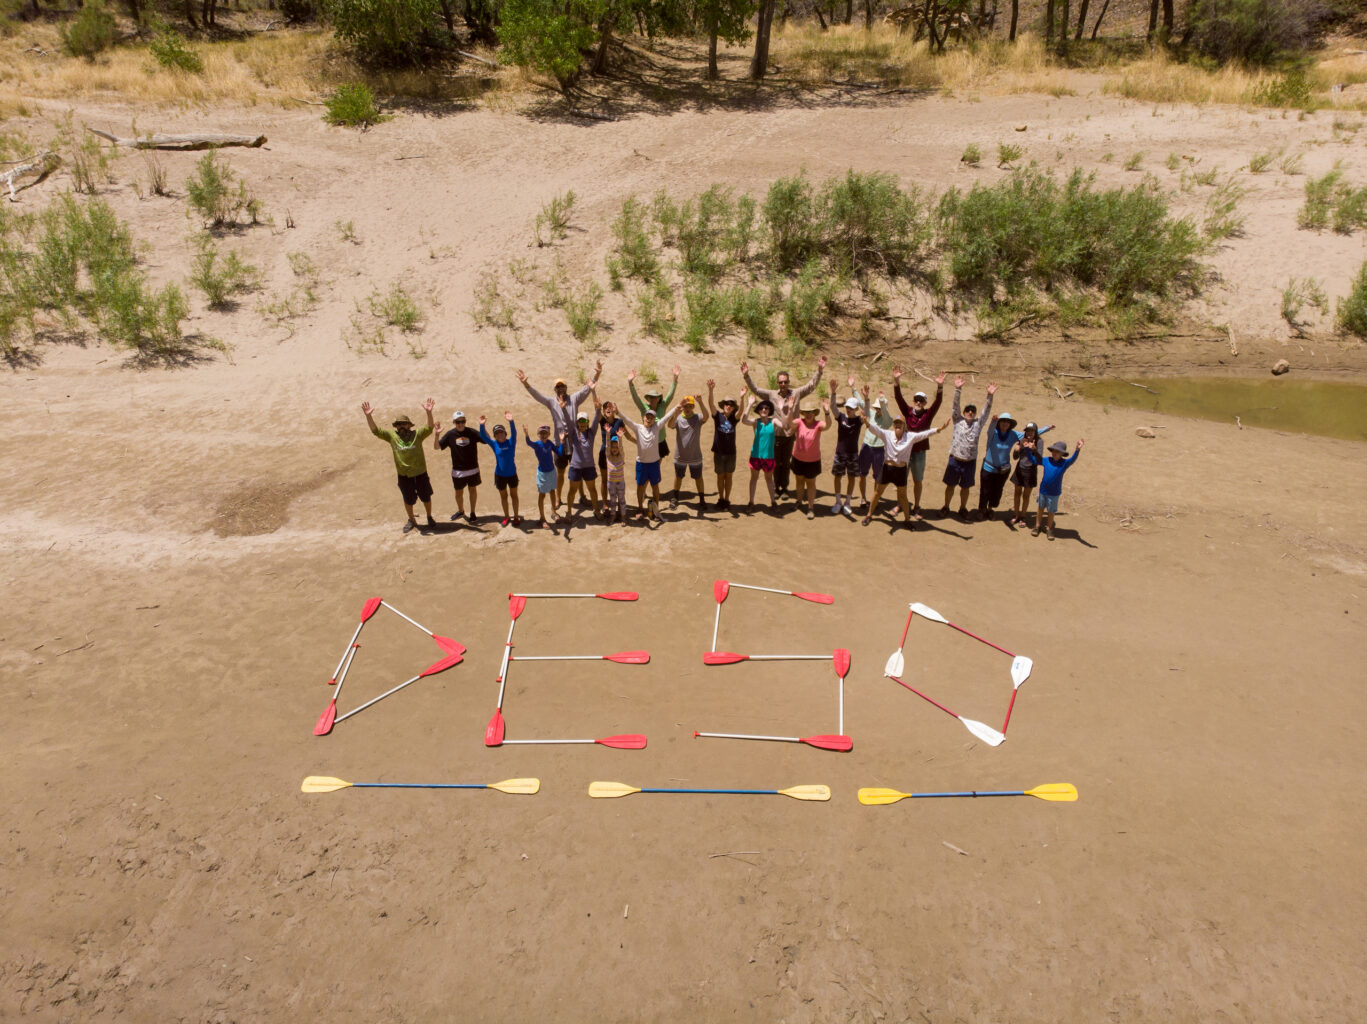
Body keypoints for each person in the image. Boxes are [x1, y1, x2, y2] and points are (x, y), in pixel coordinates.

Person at [516, 360, 602, 509]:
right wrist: (526, 384)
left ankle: (582, 496)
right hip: (560, 442)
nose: (560, 388)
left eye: (562, 386)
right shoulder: (551, 402)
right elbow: (538, 396)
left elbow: (587, 388)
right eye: (558, 387)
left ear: (566, 388)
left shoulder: (574, 398)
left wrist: (597, 373)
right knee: (560, 472)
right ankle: (558, 498)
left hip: (575, 442)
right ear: (555, 389)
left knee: (579, 469)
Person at [741, 356, 826, 499]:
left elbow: (811, 386)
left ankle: (784, 487)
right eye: (781, 382)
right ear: (777, 383)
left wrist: (819, 370)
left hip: (790, 434)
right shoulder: (771, 394)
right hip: (774, 434)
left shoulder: (796, 393)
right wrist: (746, 376)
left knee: (786, 462)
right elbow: (755, 390)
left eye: (785, 382)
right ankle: (775, 487)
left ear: (789, 382)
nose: (783, 384)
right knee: (774, 462)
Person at [862, 413, 951, 528]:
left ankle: (907, 520)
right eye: (896, 423)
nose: (898, 425)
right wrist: (866, 422)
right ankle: (868, 515)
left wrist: (940, 429)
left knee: (903, 496)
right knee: (877, 492)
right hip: (887, 469)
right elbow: (875, 429)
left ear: (904, 426)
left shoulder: (910, 436)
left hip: (900, 470)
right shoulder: (887, 434)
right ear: (893, 425)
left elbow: (924, 434)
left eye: (900, 423)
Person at [363, 399, 436, 533]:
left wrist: (429, 413)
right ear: (396, 427)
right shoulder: (392, 436)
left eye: (404, 424)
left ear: (409, 425)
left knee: (426, 497)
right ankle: (412, 520)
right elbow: (376, 431)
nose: (401, 426)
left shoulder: (417, 434)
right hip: (404, 475)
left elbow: (430, 427)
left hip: (420, 473)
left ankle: (429, 517)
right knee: (408, 499)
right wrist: (368, 416)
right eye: (398, 425)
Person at [978, 411, 1053, 522]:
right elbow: (990, 428)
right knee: (985, 490)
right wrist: (993, 421)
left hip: (1003, 470)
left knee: (997, 491)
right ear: (999, 423)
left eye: (1007, 422)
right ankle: (982, 510)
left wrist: (1047, 428)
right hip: (988, 468)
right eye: (1002, 421)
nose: (1005, 424)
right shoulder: (993, 433)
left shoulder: (1013, 435)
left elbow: (1030, 434)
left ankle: (990, 509)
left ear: (1010, 424)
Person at [940, 377, 997, 518]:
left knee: (965, 487)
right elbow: (955, 406)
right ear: (964, 412)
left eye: (973, 411)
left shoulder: (978, 423)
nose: (970, 412)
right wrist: (958, 389)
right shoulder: (958, 420)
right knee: (950, 486)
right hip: (955, 459)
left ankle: (963, 508)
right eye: (968, 410)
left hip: (969, 462)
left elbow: (986, 411)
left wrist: (990, 395)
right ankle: (946, 507)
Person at [893, 367, 946, 517]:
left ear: (924, 403)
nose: (918, 402)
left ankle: (916, 506)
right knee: (901, 480)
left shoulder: (928, 415)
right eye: (916, 399)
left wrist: (940, 386)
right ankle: (899, 504)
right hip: (905, 451)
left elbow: (938, 402)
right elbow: (898, 398)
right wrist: (896, 380)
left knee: (918, 481)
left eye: (921, 400)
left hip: (920, 453)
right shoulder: (908, 411)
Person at [617, 402, 664, 519]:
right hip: (641, 464)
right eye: (647, 416)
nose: (649, 419)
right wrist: (618, 412)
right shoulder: (638, 427)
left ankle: (656, 509)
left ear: (654, 420)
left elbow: (667, 418)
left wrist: (677, 407)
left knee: (655, 487)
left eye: (652, 417)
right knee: (640, 487)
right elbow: (627, 421)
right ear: (644, 417)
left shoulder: (656, 427)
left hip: (654, 463)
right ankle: (639, 507)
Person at [435, 409, 483, 521]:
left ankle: (472, 513)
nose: (460, 424)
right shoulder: (450, 434)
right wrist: (437, 435)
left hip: (473, 469)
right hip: (458, 471)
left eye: (462, 421)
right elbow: (437, 447)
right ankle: (461, 511)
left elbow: (487, 440)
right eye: (458, 422)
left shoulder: (472, 432)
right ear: (454, 422)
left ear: (465, 421)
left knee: (472, 490)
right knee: (458, 493)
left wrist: (482, 426)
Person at [663, 393, 707, 513]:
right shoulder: (678, 419)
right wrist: (676, 412)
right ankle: (675, 498)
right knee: (678, 477)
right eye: (685, 406)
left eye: (690, 406)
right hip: (680, 456)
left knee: (698, 478)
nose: (687, 409)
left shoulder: (697, 418)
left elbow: (706, 417)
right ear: (682, 407)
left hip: (695, 456)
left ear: (693, 407)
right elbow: (670, 425)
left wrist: (700, 402)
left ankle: (702, 499)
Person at [704, 379, 744, 511]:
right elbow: (710, 405)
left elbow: (741, 412)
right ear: (723, 405)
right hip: (719, 453)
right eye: (727, 404)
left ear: (733, 408)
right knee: (720, 476)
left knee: (729, 476)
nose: (728, 406)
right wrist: (710, 390)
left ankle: (727, 499)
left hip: (731, 453)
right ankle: (720, 498)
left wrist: (742, 398)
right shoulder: (718, 417)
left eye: (731, 405)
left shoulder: (734, 419)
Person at [1033, 439, 1083, 540]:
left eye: (1058, 452)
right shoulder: (1046, 460)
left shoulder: (1064, 463)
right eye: (1054, 451)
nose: (1055, 453)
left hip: (1054, 493)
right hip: (1043, 491)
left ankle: (1049, 528)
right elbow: (1034, 460)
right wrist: (1030, 450)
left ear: (1062, 454)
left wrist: (1077, 450)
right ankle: (1037, 526)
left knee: (1051, 511)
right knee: (1040, 508)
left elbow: (1072, 459)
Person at [828, 376, 864, 516]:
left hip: (853, 454)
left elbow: (866, 411)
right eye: (848, 407)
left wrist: (865, 398)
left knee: (851, 478)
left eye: (852, 408)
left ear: (856, 409)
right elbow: (832, 407)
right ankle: (838, 502)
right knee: (837, 476)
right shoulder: (841, 417)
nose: (849, 409)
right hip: (840, 453)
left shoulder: (859, 420)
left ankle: (847, 503)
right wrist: (833, 392)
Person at [789, 399, 831, 519]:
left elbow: (827, 426)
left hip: (812, 460)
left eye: (811, 412)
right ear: (803, 413)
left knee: (811, 483)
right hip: (798, 458)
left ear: (815, 413)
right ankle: (798, 501)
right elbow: (789, 423)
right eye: (806, 412)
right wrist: (791, 409)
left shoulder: (818, 424)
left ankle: (811, 507)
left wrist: (827, 412)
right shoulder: (798, 422)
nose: (808, 414)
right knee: (799, 481)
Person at [628, 365, 679, 461]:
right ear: (648, 399)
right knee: (648, 463)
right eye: (651, 397)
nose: (653, 399)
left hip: (660, 441)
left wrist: (675, 379)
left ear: (659, 398)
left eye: (655, 397)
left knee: (657, 466)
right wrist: (630, 383)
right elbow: (636, 398)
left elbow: (670, 395)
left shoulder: (662, 406)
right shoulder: (644, 408)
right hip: (648, 441)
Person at [478, 412, 520, 527]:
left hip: (512, 474)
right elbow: (483, 436)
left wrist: (511, 421)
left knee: (514, 495)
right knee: (504, 496)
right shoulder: (494, 444)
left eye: (501, 432)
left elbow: (514, 433)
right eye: (497, 433)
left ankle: (516, 517)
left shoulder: (511, 442)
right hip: (500, 475)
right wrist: (481, 425)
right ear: (495, 436)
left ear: (505, 433)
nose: (499, 434)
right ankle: (506, 517)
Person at [855, 391, 893, 514]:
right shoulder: (871, 414)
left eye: (880, 408)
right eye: (876, 408)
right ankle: (863, 498)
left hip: (879, 450)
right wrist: (854, 389)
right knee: (862, 474)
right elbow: (862, 403)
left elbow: (886, 415)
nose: (877, 410)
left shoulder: (888, 420)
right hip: (867, 446)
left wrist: (882, 401)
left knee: (877, 476)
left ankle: (874, 499)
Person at [563, 410, 602, 521]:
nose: (582, 423)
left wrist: (597, 409)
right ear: (577, 423)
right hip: (575, 467)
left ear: (587, 422)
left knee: (592, 490)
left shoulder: (591, 432)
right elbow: (568, 420)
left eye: (584, 421)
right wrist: (563, 409)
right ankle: (569, 513)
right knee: (572, 491)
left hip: (589, 467)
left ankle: (596, 510)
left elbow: (596, 420)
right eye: (580, 421)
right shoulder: (573, 433)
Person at [742, 397, 779, 509]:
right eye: (761, 408)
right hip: (755, 456)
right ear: (758, 410)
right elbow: (743, 420)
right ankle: (751, 502)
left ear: (769, 410)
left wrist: (782, 410)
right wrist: (749, 404)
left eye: (766, 408)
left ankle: (773, 502)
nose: (764, 410)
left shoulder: (774, 421)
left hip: (769, 457)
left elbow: (784, 424)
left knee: (769, 479)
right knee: (754, 479)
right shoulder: (755, 422)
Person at [1010, 422, 1050, 525]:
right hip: (1019, 469)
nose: (1029, 433)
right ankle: (1016, 515)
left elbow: (1039, 460)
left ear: (1035, 432)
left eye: (1032, 431)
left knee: (1026, 496)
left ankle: (1023, 516)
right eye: (1028, 430)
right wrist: (1017, 450)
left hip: (1031, 471)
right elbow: (1015, 457)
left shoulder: (1039, 442)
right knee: (1017, 493)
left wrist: (1034, 450)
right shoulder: (1022, 440)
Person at [524, 424, 560, 529]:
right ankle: (542, 518)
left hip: (552, 472)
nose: (543, 435)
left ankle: (554, 512)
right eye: (541, 433)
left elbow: (559, 452)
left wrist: (562, 442)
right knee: (542, 495)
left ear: (548, 434)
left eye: (545, 433)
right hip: (542, 474)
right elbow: (528, 443)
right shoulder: (537, 444)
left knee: (552, 492)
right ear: (538, 435)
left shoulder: (549, 443)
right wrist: (526, 434)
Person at [603, 433, 628, 524]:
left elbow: (621, 447)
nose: (614, 449)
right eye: (613, 447)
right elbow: (607, 446)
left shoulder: (621, 456)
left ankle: (623, 517)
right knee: (612, 501)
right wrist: (608, 434)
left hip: (620, 482)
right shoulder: (608, 457)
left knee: (622, 500)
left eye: (616, 447)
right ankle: (613, 515)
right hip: (611, 483)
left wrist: (620, 438)